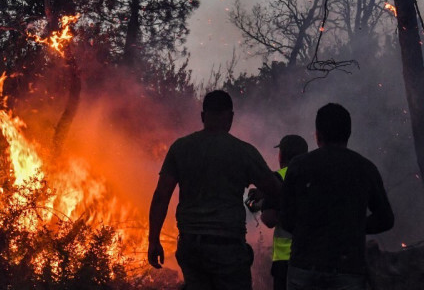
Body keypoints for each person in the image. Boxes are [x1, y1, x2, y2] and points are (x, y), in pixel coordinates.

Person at [148, 90, 282, 290]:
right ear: (231, 117)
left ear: (203, 116)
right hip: (227, 248)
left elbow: (161, 196)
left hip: (191, 247)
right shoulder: (243, 152)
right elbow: (274, 189)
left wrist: (153, 241)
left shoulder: (181, 148)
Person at [280, 103, 394, 290]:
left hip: (304, 266)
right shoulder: (365, 168)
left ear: (318, 134)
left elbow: (286, 218)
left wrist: (311, 229)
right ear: (348, 133)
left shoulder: (298, 166)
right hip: (347, 269)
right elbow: (386, 219)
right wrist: (352, 226)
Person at [247, 135, 308, 290]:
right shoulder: (315, 177)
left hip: (286, 260)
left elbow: (269, 219)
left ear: (282, 154)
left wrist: (263, 204)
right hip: (314, 258)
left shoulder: (278, 177)